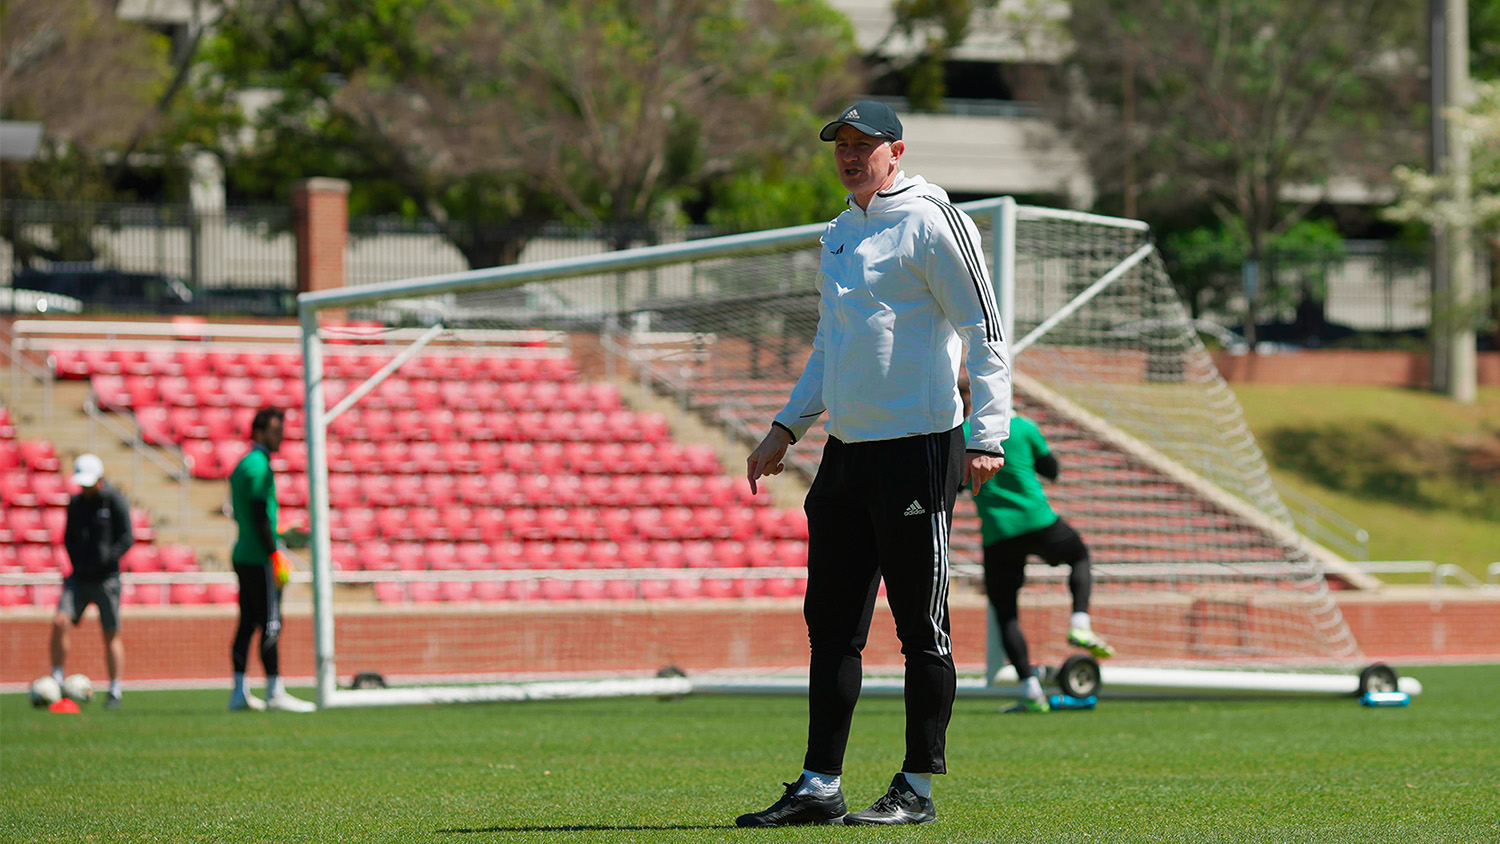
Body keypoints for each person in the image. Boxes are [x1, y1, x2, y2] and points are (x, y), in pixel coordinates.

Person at [738, 100, 1011, 828]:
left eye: (865, 144)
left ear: (897, 150)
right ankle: (819, 783)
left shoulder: (933, 219)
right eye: (841, 146)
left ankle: (916, 788)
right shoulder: (836, 234)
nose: (851, 156)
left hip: (920, 448)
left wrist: (988, 434)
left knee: (922, 625)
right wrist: (785, 428)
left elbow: (984, 329)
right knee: (830, 624)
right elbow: (831, 346)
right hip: (847, 453)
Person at [961, 377, 1114, 714]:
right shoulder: (1023, 427)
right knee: (1080, 555)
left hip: (998, 534)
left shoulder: (962, 433)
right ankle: (1079, 624)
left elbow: (957, 484)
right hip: (1037, 521)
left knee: (1006, 614)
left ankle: (1030, 688)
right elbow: (1053, 470)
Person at [228, 407, 314, 712]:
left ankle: (239, 691)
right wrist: (274, 553)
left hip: (243, 552)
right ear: (261, 431)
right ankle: (275, 690)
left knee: (247, 624)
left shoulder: (244, 464)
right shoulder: (259, 466)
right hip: (258, 557)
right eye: (277, 431)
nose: (281, 437)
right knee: (271, 623)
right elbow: (257, 514)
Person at [52, 453, 133, 709]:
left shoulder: (114, 501)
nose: (86, 489)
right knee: (60, 621)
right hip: (79, 578)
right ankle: (56, 680)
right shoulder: (76, 504)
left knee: (111, 634)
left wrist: (109, 558)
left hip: (107, 579)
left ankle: (115, 690)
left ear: (100, 479)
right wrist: (78, 562)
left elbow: (127, 536)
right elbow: (68, 537)